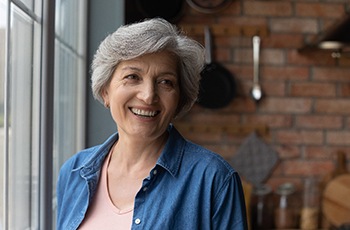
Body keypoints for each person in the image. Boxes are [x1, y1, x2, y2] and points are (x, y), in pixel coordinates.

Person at [56, 18, 247, 230]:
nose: (148, 96)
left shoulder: (214, 179)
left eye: (166, 82)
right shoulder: (73, 172)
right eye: (132, 76)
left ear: (179, 100)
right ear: (105, 90)